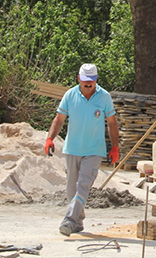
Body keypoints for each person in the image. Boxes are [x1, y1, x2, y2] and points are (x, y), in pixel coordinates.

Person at [44, 63, 119, 237]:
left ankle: (69, 221)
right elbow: (59, 119)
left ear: (96, 80)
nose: (88, 84)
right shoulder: (70, 95)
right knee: (72, 189)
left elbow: (112, 123)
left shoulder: (104, 97)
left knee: (83, 186)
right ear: (79, 78)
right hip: (72, 149)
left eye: (91, 81)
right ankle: (78, 222)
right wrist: (50, 138)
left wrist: (115, 147)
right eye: (85, 80)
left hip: (94, 150)